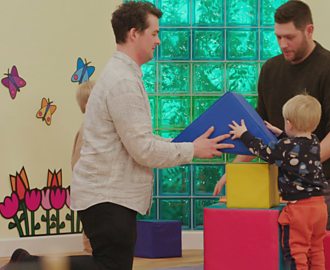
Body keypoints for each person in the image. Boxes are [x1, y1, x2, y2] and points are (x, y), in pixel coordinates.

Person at [1, 2, 233, 270]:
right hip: (108, 197)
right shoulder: (123, 82)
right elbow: (143, 150)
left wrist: (188, 144)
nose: (158, 40)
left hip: (108, 196)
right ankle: (27, 265)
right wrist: (192, 150)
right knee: (110, 266)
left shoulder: (124, 75)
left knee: (109, 264)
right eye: (154, 33)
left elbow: (139, 139)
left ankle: (26, 262)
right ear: (134, 33)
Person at [214, 0, 330, 230]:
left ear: (309, 30)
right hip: (288, 179)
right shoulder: (271, 70)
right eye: (278, 37)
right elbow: (258, 128)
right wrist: (235, 171)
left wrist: (305, 161)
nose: (283, 44)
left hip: (329, 179)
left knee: (322, 241)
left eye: (290, 37)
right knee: (287, 245)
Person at [229, 94, 329, 270]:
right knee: (316, 248)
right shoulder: (314, 142)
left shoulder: (285, 148)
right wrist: (281, 134)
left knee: (295, 251)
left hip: (300, 209)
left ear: (289, 123)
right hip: (319, 207)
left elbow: (264, 151)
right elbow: (296, 149)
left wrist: (244, 135)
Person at [71, 80, 94, 255]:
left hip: (89, 188)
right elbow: (77, 160)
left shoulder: (94, 126)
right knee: (92, 234)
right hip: (88, 188)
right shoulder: (88, 127)